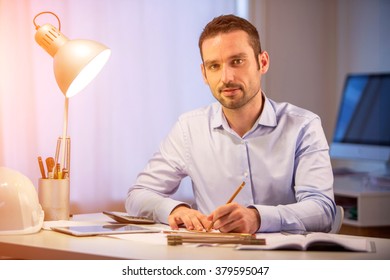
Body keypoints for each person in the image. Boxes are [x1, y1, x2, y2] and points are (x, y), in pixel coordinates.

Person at [126, 14, 335, 234]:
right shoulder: (189, 128)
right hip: (214, 258)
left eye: (237, 61)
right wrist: (174, 209)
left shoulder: (303, 126)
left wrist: (258, 218)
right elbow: (137, 195)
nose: (226, 77)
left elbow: (322, 210)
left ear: (262, 62)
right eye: (214, 66)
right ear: (204, 74)